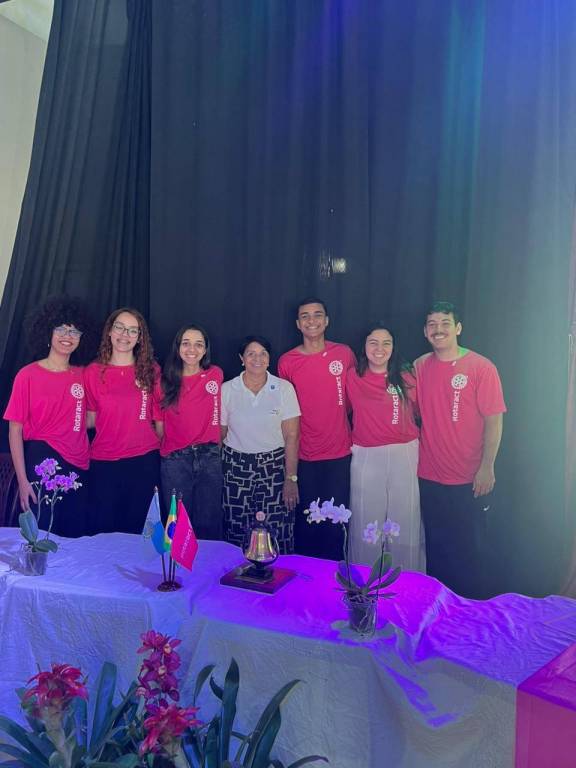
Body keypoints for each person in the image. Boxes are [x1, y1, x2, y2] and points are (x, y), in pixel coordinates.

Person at [415, 301, 506, 599]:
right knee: (437, 549)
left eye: (445, 323)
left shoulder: (481, 367)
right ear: (425, 331)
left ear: (458, 328)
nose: (438, 329)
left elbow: (494, 421)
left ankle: (472, 609)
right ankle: (439, 608)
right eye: (432, 324)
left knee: (470, 550)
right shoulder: (419, 366)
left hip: (469, 477)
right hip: (429, 475)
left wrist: (487, 466)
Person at [4, 296, 95, 537]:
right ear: (48, 331)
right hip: (42, 460)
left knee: (75, 536)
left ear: (81, 338)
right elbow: (15, 430)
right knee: (41, 535)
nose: (67, 336)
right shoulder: (27, 375)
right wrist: (23, 481)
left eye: (74, 331)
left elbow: (90, 419)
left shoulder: (84, 375)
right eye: (61, 329)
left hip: (79, 464)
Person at [278, 298, 355, 559]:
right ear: (298, 324)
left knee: (336, 526)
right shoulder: (287, 361)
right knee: (308, 524)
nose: (312, 321)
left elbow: (354, 396)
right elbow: (286, 412)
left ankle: (336, 577)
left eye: (317, 314)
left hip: (340, 453)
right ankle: (308, 577)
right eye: (305, 316)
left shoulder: (344, 354)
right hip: (305, 456)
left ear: (327, 320)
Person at [347, 324, 424, 571]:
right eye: (373, 342)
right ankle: (365, 581)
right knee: (366, 519)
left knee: (405, 519)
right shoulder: (352, 376)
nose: (379, 349)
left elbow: (420, 412)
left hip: (405, 452)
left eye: (386, 343)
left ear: (393, 347)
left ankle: (407, 580)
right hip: (366, 454)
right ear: (364, 346)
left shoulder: (408, 376)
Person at [84, 307, 161, 534]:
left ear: (139, 338)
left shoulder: (151, 371)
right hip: (104, 462)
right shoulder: (93, 372)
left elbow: (160, 418)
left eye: (132, 330)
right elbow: (90, 419)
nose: (124, 335)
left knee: (138, 534)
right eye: (119, 327)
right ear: (109, 331)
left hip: (143, 462)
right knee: (103, 531)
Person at [221, 336, 300, 554]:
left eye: (263, 353)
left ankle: (279, 573)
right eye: (251, 354)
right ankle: (237, 574)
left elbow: (292, 436)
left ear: (269, 358)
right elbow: (220, 434)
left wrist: (291, 478)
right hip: (236, 468)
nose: (257, 358)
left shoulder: (284, 389)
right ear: (241, 358)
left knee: (277, 530)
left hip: (273, 467)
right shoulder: (227, 390)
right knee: (237, 530)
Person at [155, 325, 223, 540]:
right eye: (186, 343)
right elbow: (160, 428)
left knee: (209, 523)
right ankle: (177, 563)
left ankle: (208, 563)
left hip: (209, 457)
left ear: (205, 350)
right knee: (177, 525)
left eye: (198, 344)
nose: (192, 349)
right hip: (176, 460)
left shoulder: (215, 374)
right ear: (177, 347)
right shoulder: (163, 382)